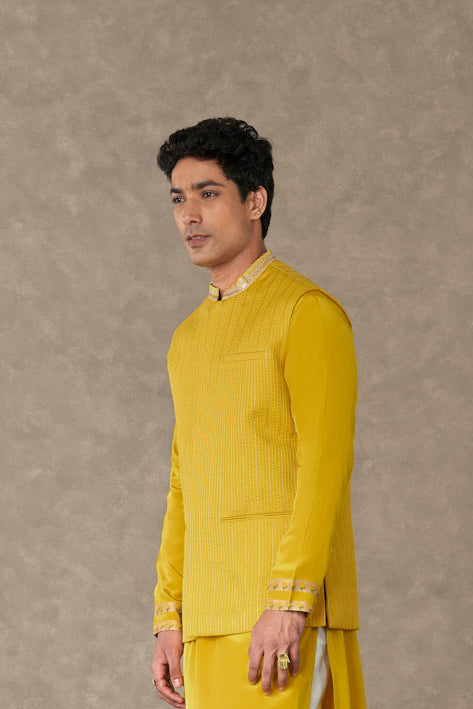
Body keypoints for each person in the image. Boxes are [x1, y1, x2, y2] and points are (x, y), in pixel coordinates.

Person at [150, 117, 367, 708]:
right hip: (206, 619)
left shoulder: (306, 312)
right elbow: (183, 482)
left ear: (255, 201)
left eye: (208, 193)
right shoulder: (187, 339)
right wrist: (169, 615)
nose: (189, 215)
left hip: (282, 618)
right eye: (178, 198)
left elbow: (324, 466)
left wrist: (289, 602)